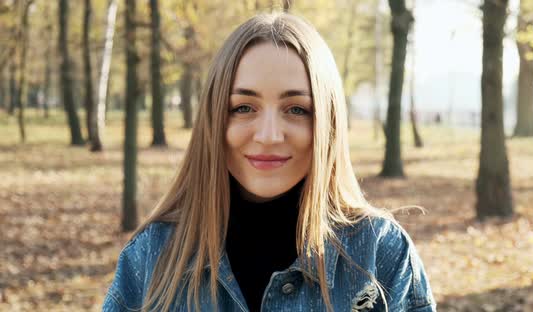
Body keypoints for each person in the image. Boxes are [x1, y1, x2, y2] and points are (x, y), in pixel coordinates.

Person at [102, 13, 436, 312]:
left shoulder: (381, 255)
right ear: (215, 118)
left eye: (296, 110)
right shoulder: (150, 256)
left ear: (328, 123)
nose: (269, 135)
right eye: (244, 107)